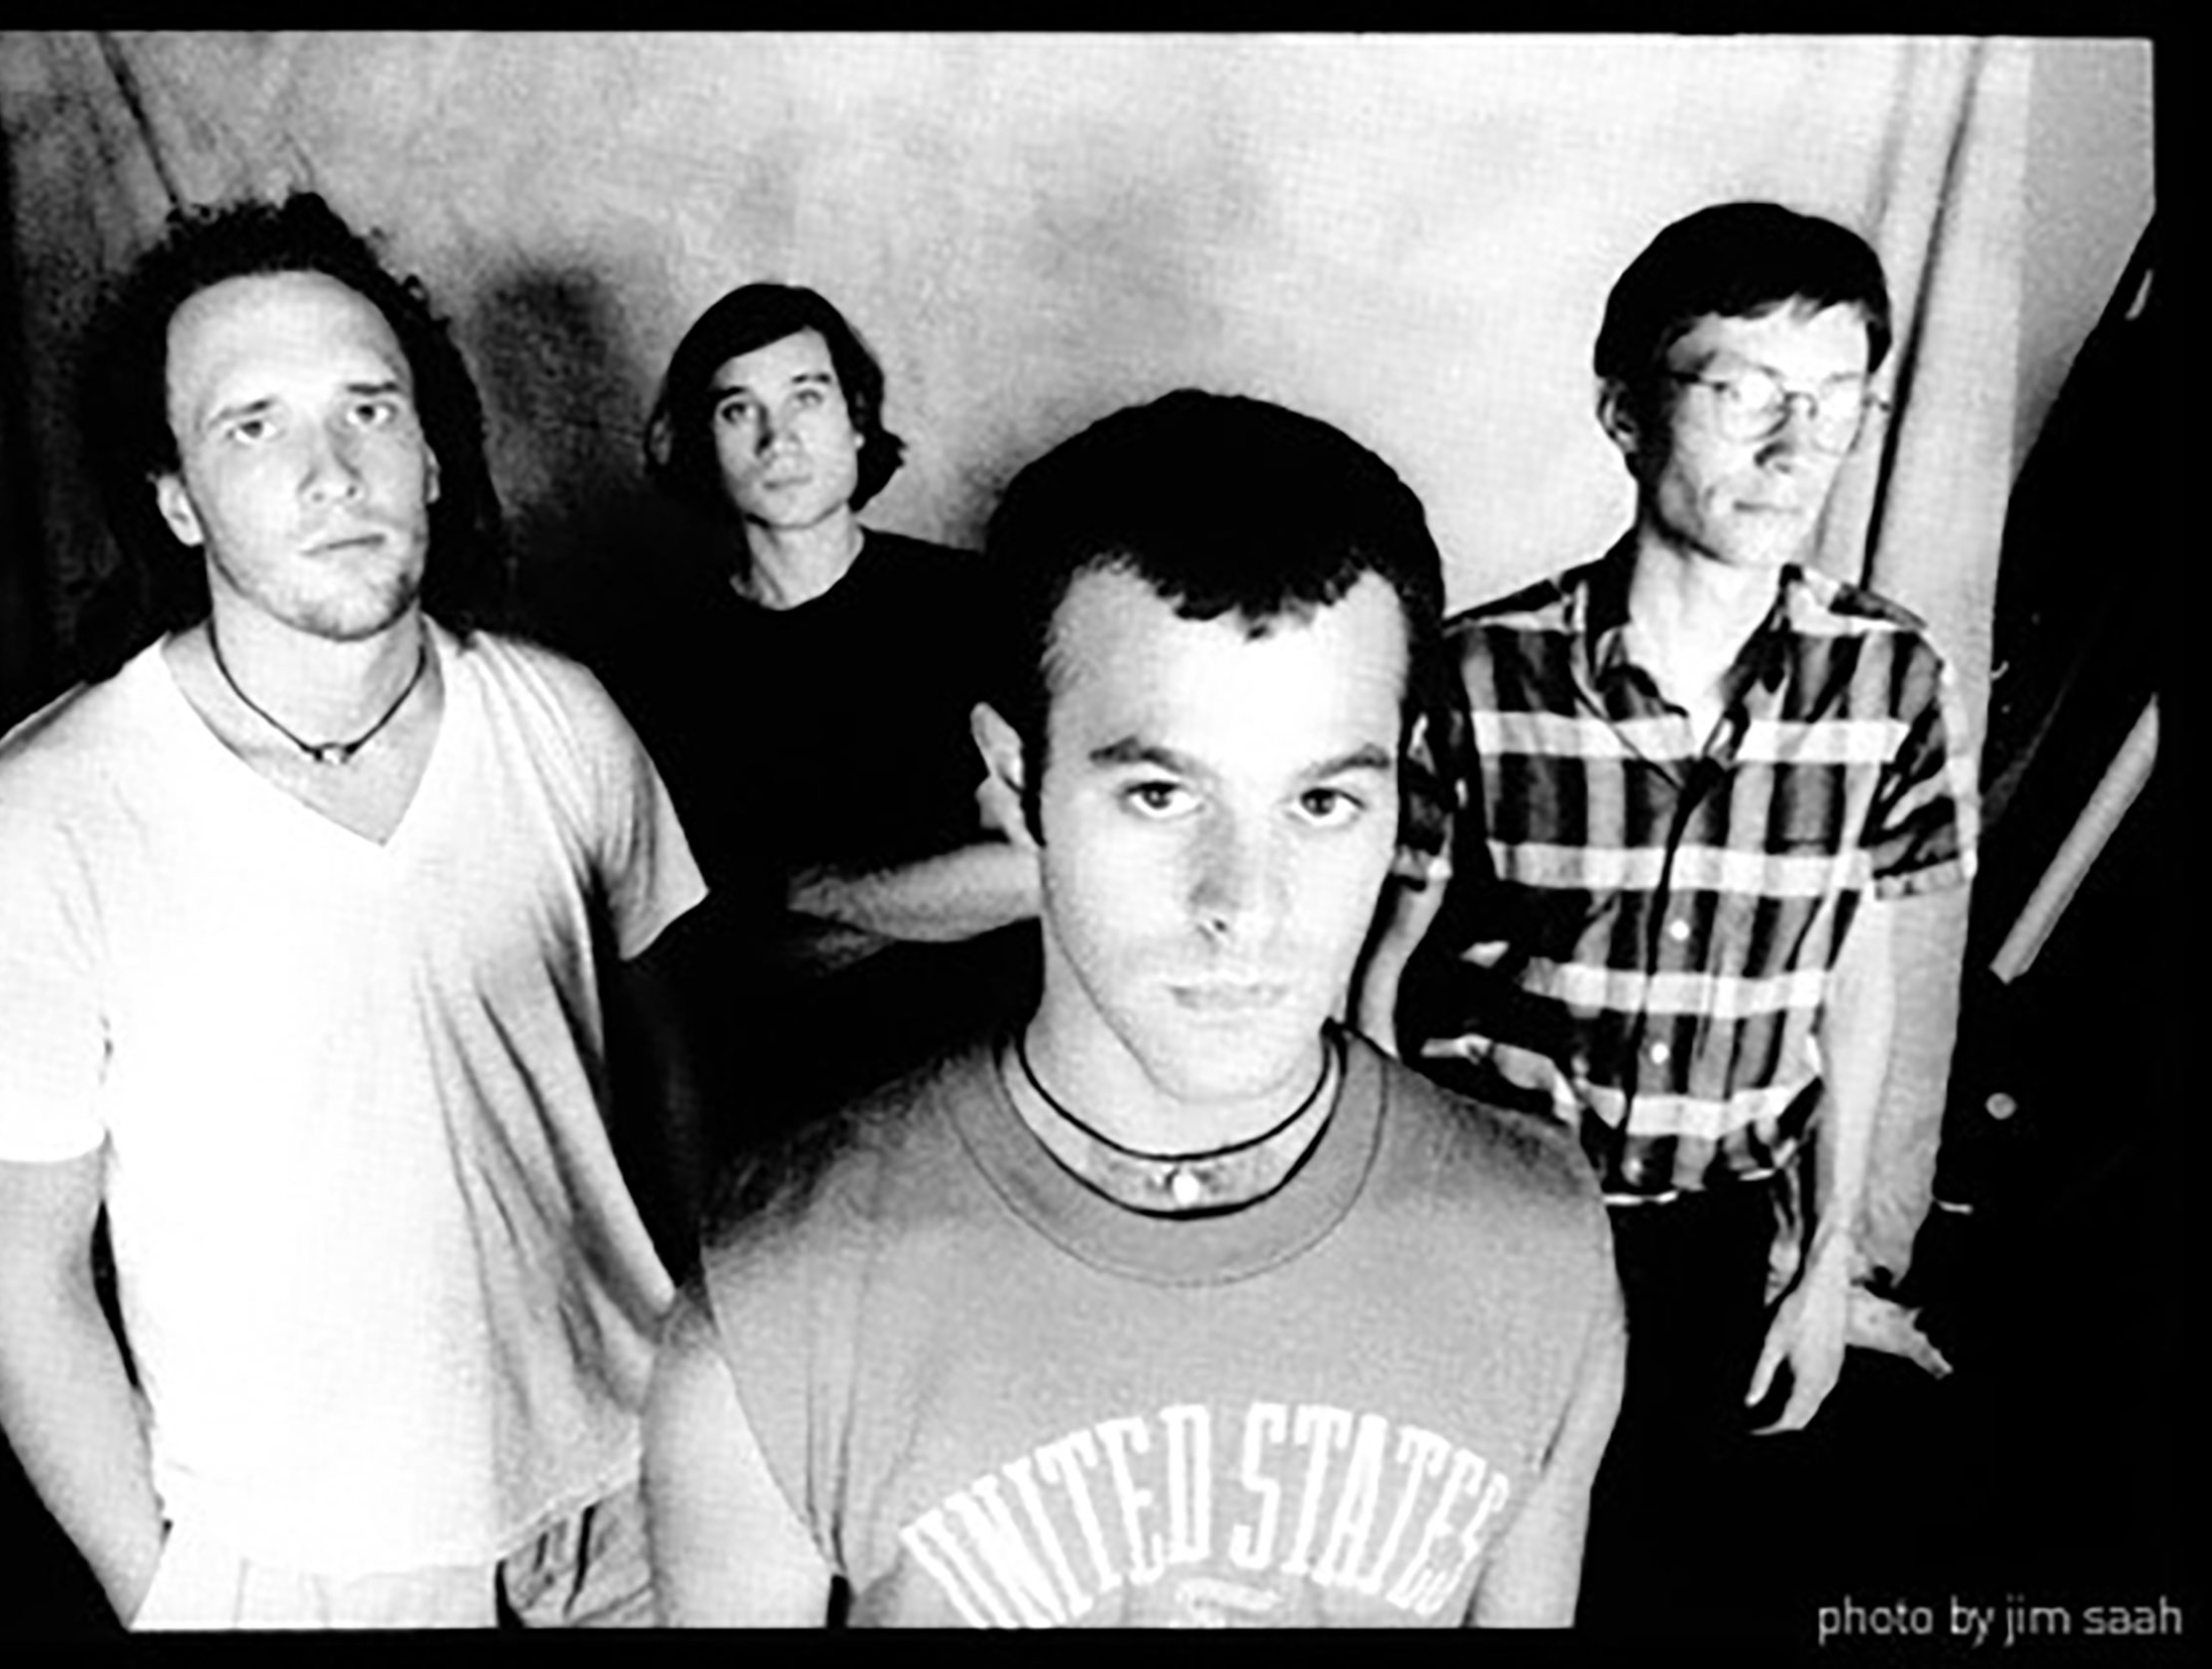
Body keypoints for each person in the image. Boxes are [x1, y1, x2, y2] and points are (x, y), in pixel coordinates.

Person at [644, 390, 1626, 1628]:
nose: (1245, 905)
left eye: (1322, 804)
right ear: (1017, 782)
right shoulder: (778, 1301)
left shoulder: (1540, 1242)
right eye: (1160, 795)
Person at [0, 193, 706, 1630]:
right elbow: (18, 1290)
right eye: (252, 424)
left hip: (637, 1504)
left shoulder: (561, 720)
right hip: (304, 1574)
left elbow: (671, 1068)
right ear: (177, 497)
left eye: (369, 408)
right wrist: (175, 1593)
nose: (332, 470)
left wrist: (715, 1385)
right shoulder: (42, 820)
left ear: (435, 455)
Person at [1357, 201, 1978, 1625]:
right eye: (1742, 390)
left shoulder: (1893, 681)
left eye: (1833, 403)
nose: (1792, 447)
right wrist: (1383, 1224)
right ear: (1625, 409)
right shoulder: (1477, 674)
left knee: (1655, 1572)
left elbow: (1854, 978)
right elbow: (1382, 973)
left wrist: (1824, 1262)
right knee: (1455, 1562)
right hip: (1491, 1212)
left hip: (1712, 1241)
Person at [593, 282, 1040, 1189]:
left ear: (858, 422)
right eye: (737, 409)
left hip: (1001, 1107)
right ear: (700, 445)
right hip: (787, 1137)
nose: (778, 437)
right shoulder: (653, 673)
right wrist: (942, 898)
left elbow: (1049, 877)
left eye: (807, 397)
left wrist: (809, 888)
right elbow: (715, 967)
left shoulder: (978, 610)